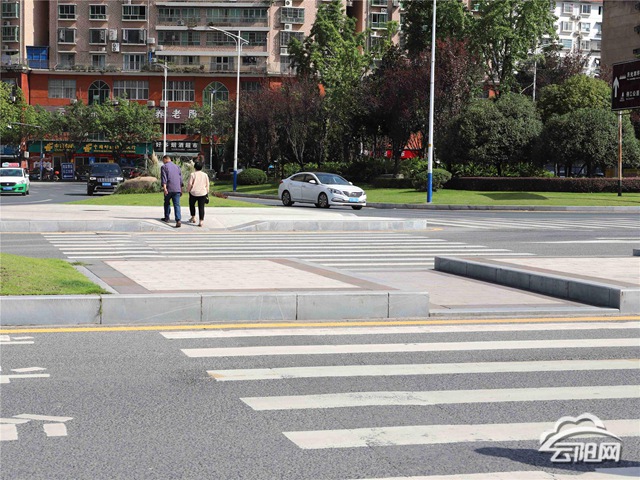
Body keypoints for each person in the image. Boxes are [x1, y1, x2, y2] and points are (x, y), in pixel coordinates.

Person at [160, 155, 183, 228]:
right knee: (177, 205)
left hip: (169, 188)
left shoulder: (164, 167)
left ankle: (167, 217)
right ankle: (178, 220)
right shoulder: (177, 167)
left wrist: (164, 188)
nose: (163, 162)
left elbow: (164, 178)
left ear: (166, 159)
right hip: (177, 189)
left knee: (167, 202)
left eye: (163, 160)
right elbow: (180, 179)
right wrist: (181, 189)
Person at [186, 161, 210, 227]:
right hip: (202, 192)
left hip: (193, 192)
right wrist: (207, 191)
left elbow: (190, 184)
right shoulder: (205, 175)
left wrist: (188, 190)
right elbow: (207, 184)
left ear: (195, 167)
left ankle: (193, 217)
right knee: (201, 207)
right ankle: (201, 221)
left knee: (192, 205)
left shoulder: (192, 174)